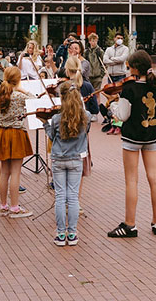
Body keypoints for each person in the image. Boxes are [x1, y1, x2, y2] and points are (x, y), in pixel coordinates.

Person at [103, 50, 156, 238]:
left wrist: (113, 103)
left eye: (129, 67)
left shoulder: (129, 89)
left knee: (131, 180)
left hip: (132, 137)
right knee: (154, 178)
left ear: (135, 67)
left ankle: (130, 224)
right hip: (151, 135)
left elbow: (122, 116)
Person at [45, 80, 91, 247]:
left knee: (60, 196)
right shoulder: (85, 116)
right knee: (72, 197)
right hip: (76, 158)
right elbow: (86, 131)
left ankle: (60, 234)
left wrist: (45, 123)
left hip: (58, 158)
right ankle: (72, 233)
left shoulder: (57, 118)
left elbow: (52, 136)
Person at [0, 65, 33, 219]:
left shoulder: (1, 96)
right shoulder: (19, 96)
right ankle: (15, 207)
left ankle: (3, 205)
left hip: (2, 133)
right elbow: (34, 99)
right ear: (18, 80)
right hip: (16, 133)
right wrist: (23, 90)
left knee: (4, 172)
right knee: (16, 171)